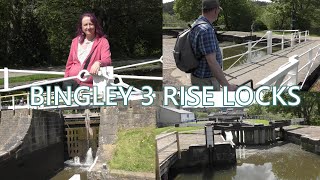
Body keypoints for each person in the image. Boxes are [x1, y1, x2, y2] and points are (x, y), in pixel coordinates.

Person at [189, 0, 237, 91]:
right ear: (215, 10)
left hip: (197, 77)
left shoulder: (196, 24)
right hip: (207, 82)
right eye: (218, 10)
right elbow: (212, 62)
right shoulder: (206, 30)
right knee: (212, 105)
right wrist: (228, 87)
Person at [64, 13, 111, 88]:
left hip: (89, 85)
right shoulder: (75, 41)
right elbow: (69, 64)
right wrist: (65, 80)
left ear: (95, 25)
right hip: (71, 83)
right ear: (81, 27)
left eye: (91, 24)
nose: (88, 27)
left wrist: (98, 62)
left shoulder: (102, 42)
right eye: (85, 25)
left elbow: (107, 60)